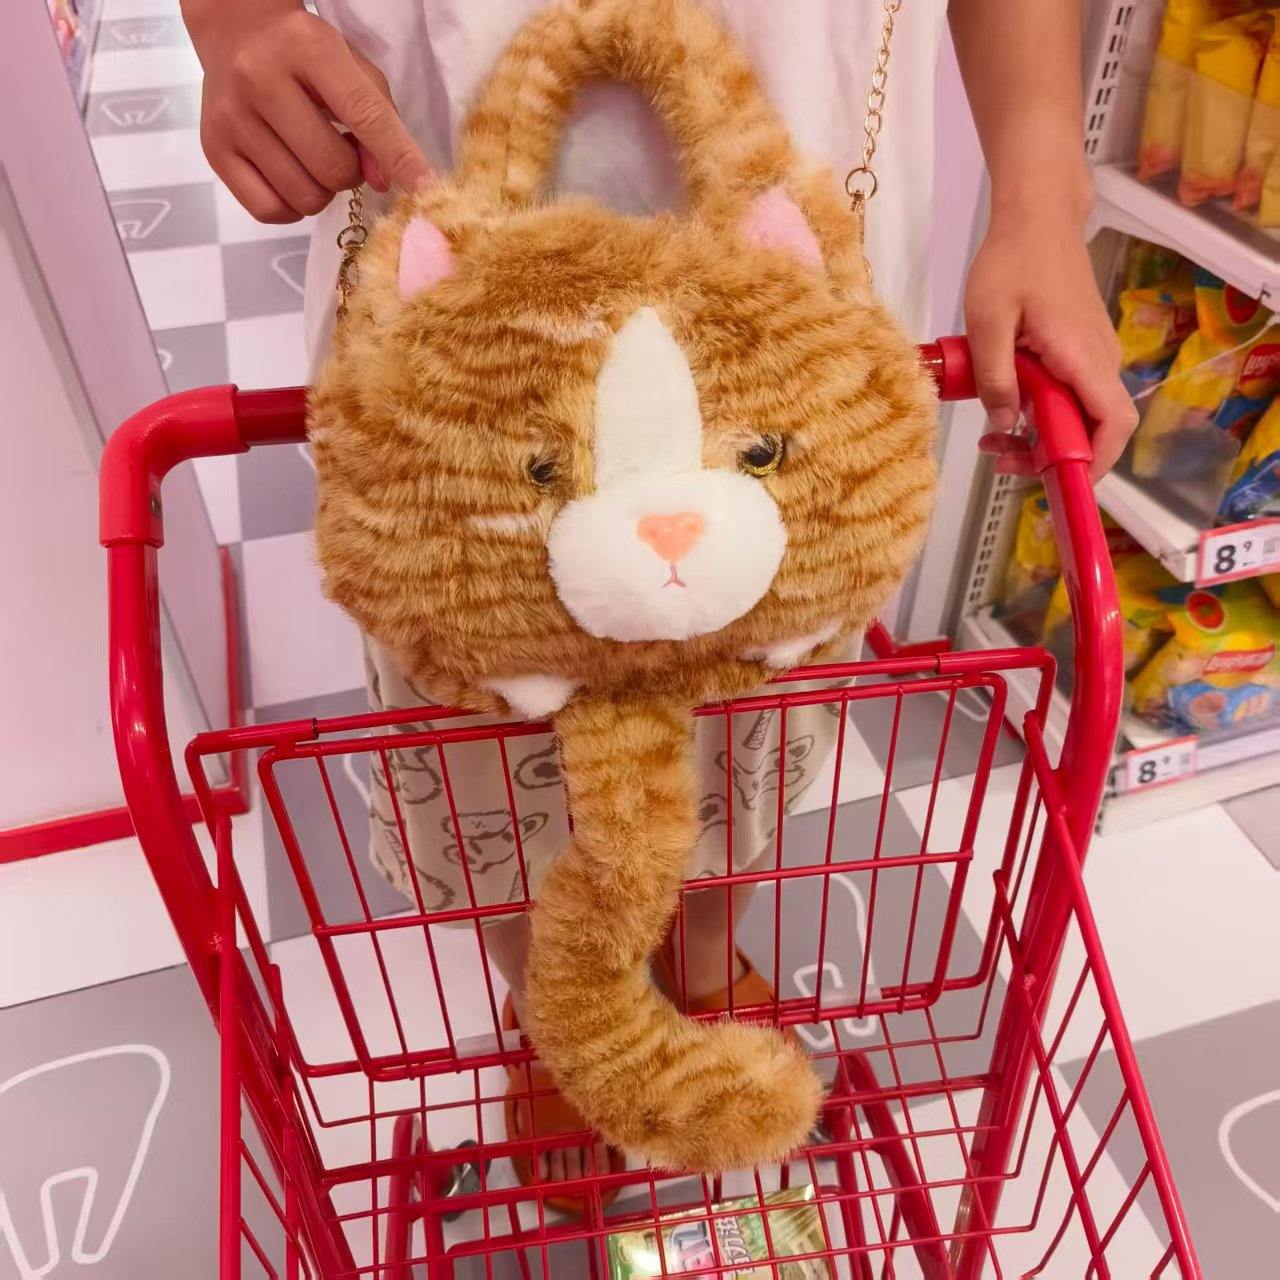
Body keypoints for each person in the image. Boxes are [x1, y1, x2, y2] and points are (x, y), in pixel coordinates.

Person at [182, 0, 1137, 1190]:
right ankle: (556, 1005)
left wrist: (1041, 196)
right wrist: (229, 18)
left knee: (749, 709)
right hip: (458, 313)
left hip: (781, 291)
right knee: (490, 726)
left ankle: (702, 955)